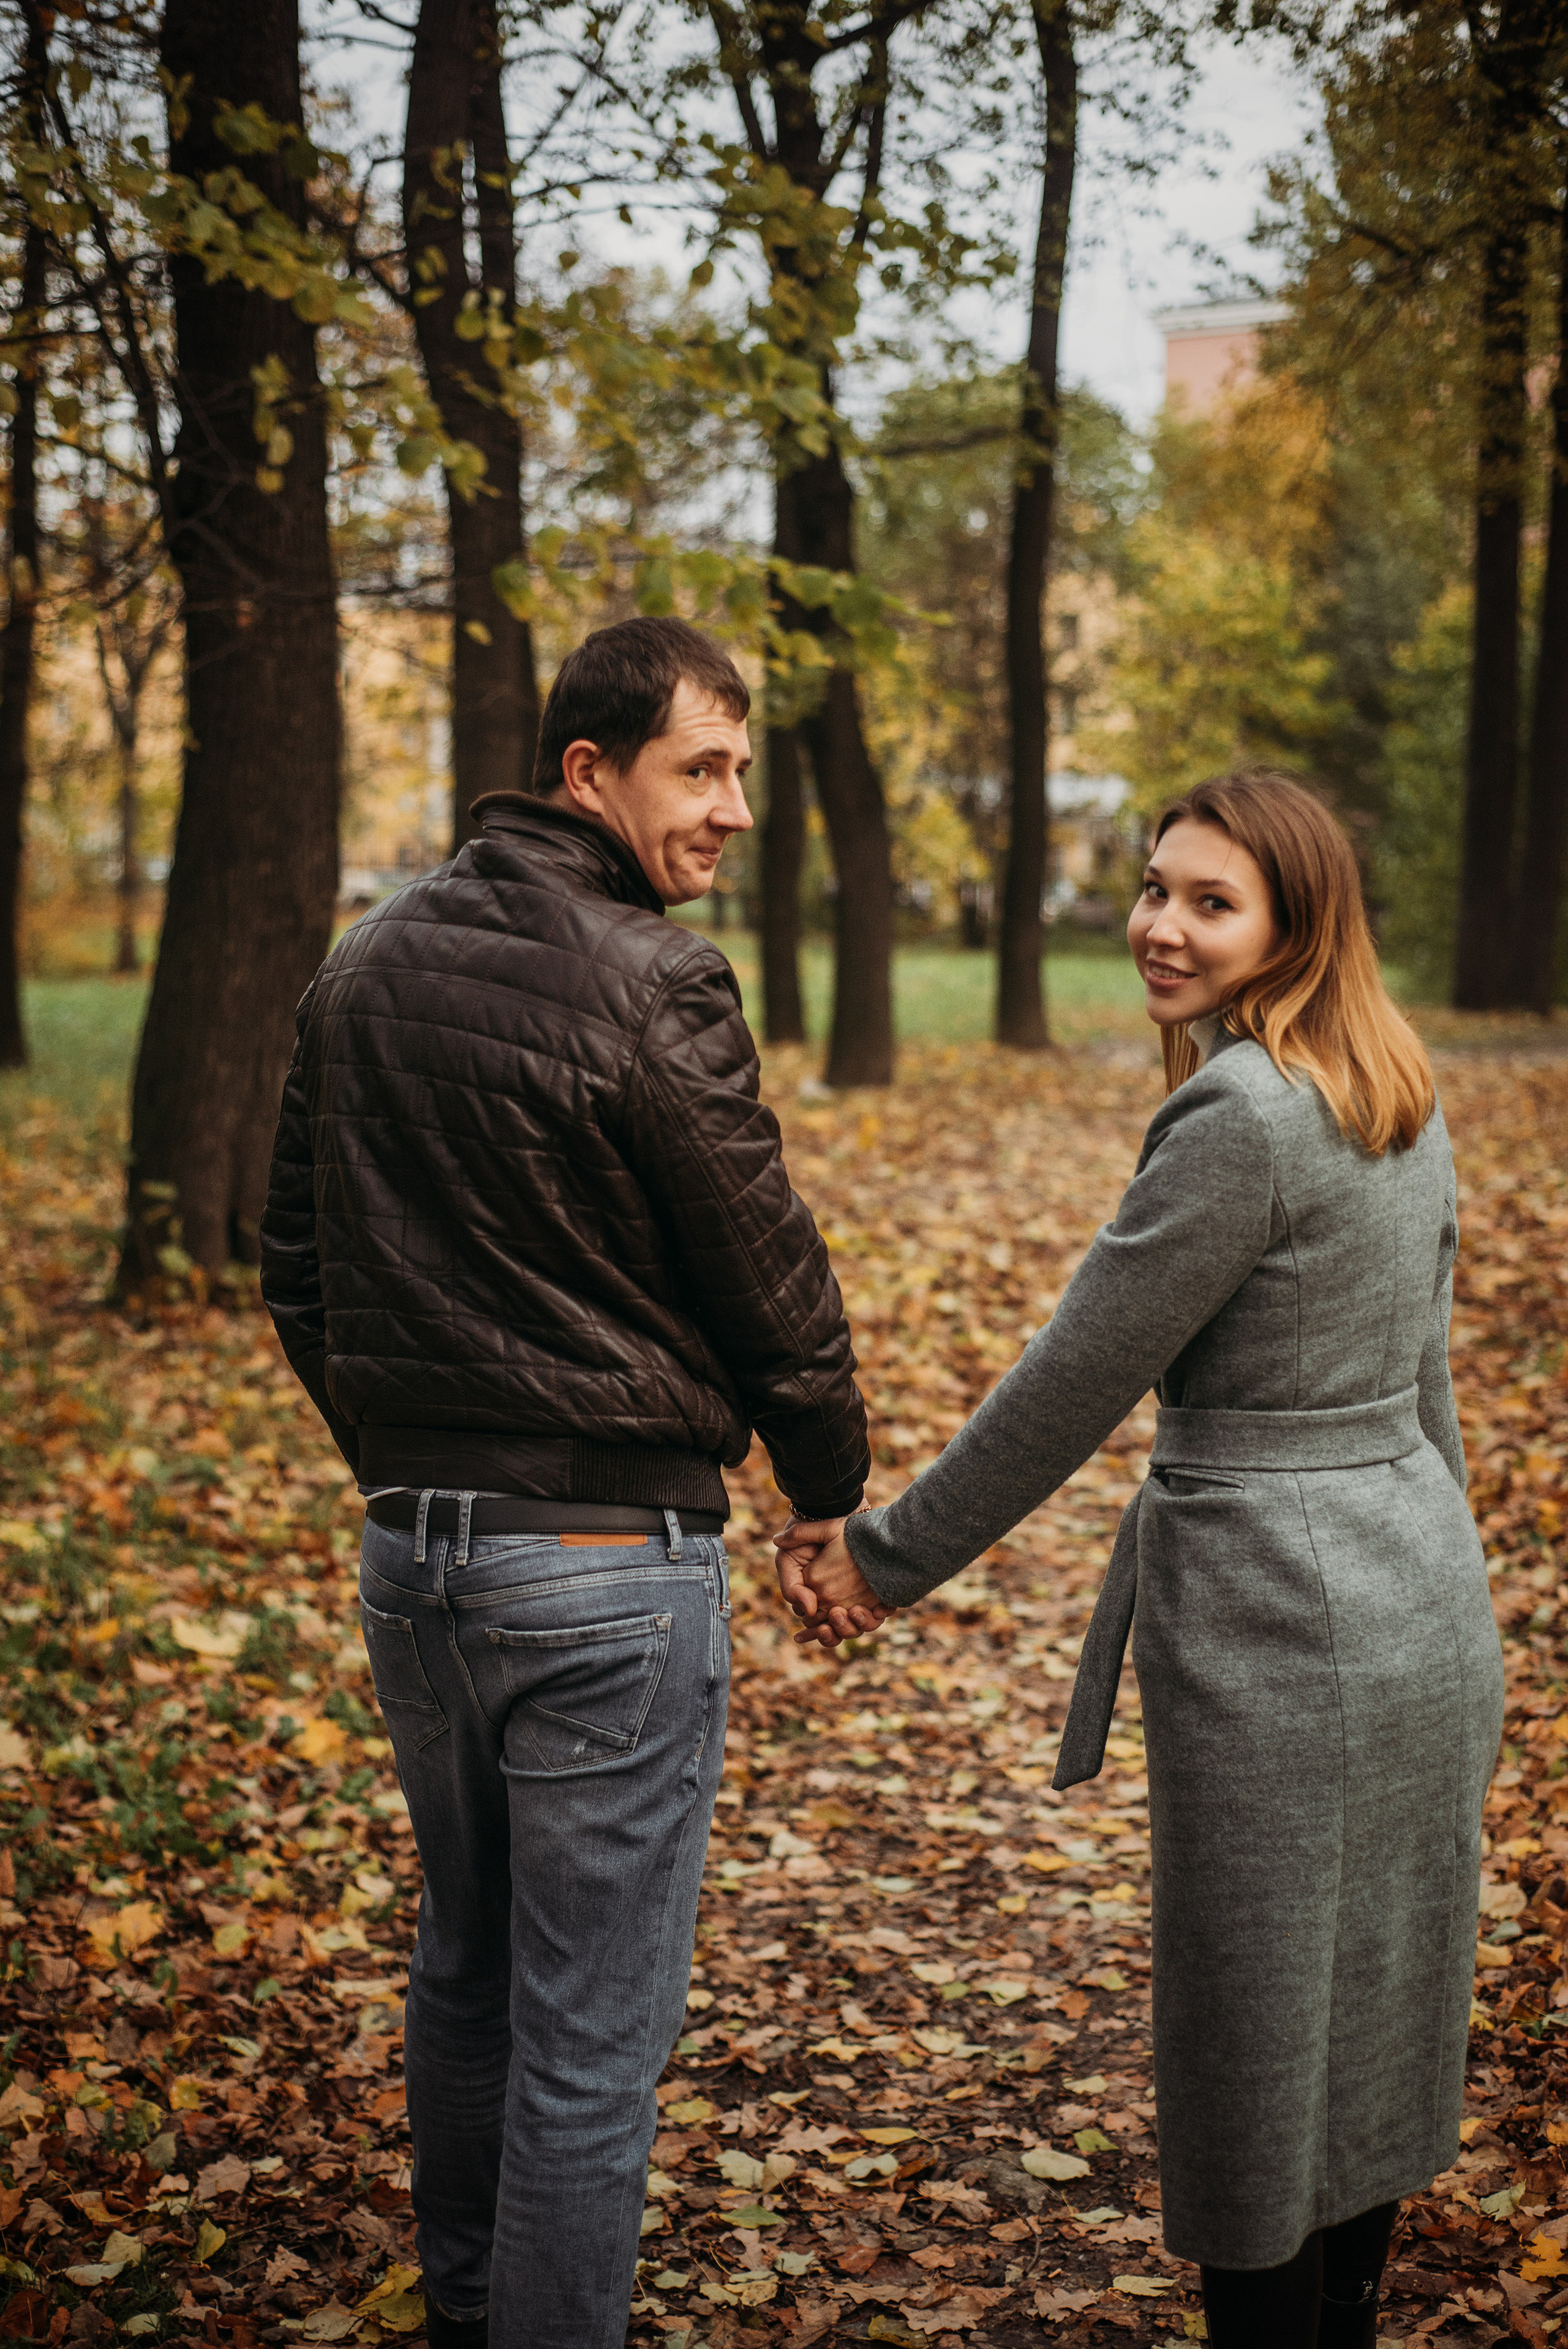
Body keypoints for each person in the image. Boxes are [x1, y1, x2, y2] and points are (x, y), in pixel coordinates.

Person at [775, 770, 1502, 2349]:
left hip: (1280, 1627)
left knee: (1259, 2045)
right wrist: (1464, 1587)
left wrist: (884, 1559)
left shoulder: (1239, 1115)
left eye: (1210, 901)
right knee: (1370, 2022)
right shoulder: (1397, 1086)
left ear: (1294, 932)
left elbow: (1073, 1377)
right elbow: (1423, 1380)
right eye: (1157, 885)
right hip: (1422, 1603)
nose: (1161, 925)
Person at [260, 616, 869, 2349]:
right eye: (703, 767)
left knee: (466, 1972)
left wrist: (412, 1459)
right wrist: (827, 1488)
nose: (735, 805)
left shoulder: (361, 960)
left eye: (743, 768)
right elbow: (770, 1278)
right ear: (587, 773)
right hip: (608, 1567)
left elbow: (290, 1265)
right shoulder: (651, 976)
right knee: (590, 2045)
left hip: (420, 1572)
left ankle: (473, 2315)